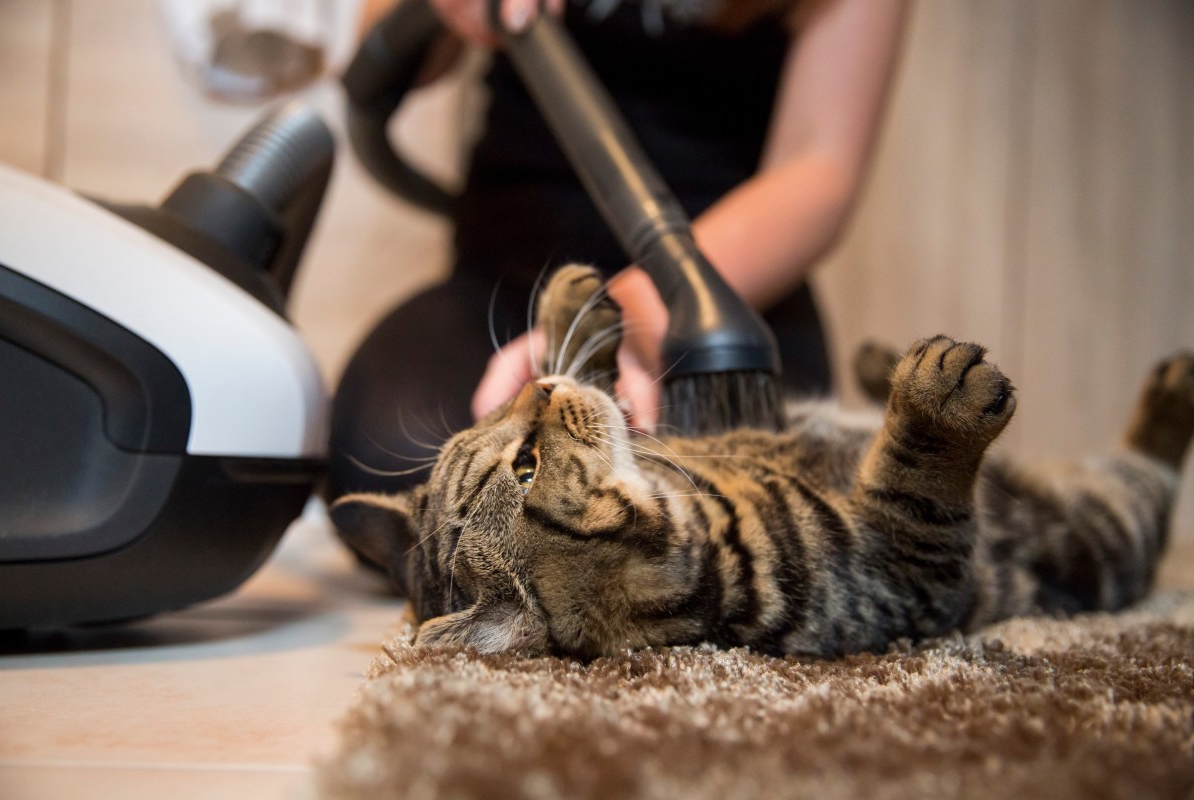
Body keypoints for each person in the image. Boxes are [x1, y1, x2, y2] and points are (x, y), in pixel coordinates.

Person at [329, 0, 907, 498]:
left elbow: (819, 169)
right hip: (514, 268)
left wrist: (627, 317)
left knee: (755, 508)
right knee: (394, 460)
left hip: (718, 287)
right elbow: (383, 47)